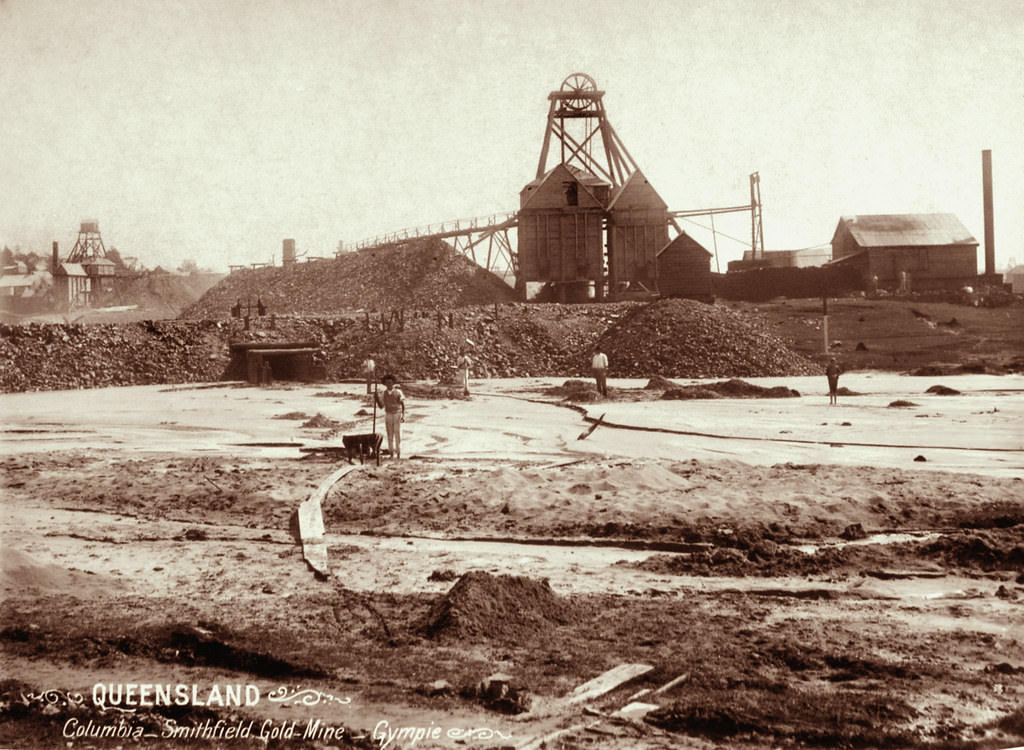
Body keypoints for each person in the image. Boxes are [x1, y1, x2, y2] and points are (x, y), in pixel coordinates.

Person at [375, 374, 405, 459]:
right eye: (387, 383)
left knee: (397, 433)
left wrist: (403, 415)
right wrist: (377, 399)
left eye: (390, 383)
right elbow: (381, 406)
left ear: (393, 383)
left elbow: (402, 404)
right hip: (388, 414)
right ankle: (391, 453)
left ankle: (398, 453)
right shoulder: (384, 394)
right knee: (390, 434)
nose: (389, 384)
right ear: (385, 384)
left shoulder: (398, 392)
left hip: (397, 414)